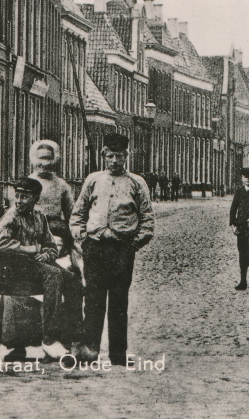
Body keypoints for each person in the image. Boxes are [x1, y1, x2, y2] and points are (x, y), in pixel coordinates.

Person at [70, 133, 155, 366]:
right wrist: (83, 239)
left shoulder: (137, 183)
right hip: (95, 249)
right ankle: (90, 351)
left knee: (119, 302)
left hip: (121, 250)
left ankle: (117, 354)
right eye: (110, 156)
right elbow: (77, 214)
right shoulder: (93, 180)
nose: (114, 160)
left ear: (126, 156)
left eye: (119, 156)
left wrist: (133, 244)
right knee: (94, 301)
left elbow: (147, 220)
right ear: (103, 156)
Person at [0, 176, 82, 362]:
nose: (19, 201)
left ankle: (72, 339)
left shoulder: (39, 217)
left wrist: (47, 254)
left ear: (35, 199)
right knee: (54, 275)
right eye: (17, 196)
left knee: (73, 280)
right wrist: (27, 248)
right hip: (17, 267)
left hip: (36, 265)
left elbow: (50, 245)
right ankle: (49, 339)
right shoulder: (11, 217)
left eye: (24, 197)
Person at [29, 140, 75, 257]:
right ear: (34, 159)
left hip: (56, 231)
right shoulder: (27, 182)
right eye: (41, 158)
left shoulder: (62, 185)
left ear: (54, 160)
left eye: (48, 159)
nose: (45, 163)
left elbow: (71, 213)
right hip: (31, 230)